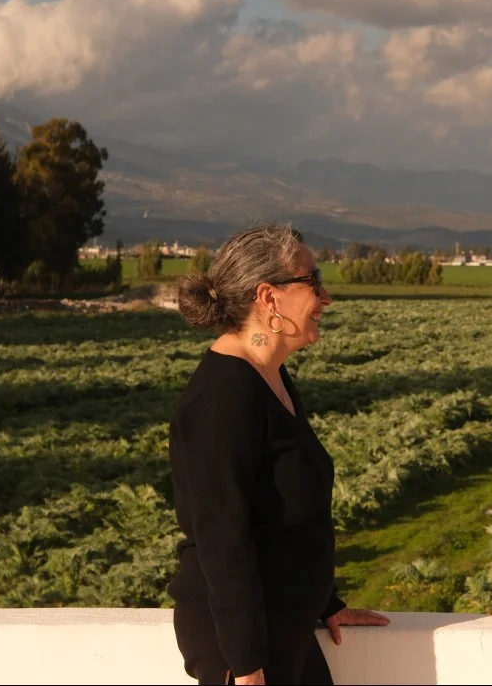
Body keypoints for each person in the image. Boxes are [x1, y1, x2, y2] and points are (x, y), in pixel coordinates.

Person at [167, 223, 390, 685]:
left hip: (283, 631)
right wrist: (246, 666)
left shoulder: (270, 378)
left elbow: (283, 513)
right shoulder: (222, 397)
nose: (325, 298)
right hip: (246, 650)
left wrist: (325, 601)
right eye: (314, 281)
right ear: (268, 298)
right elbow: (221, 537)